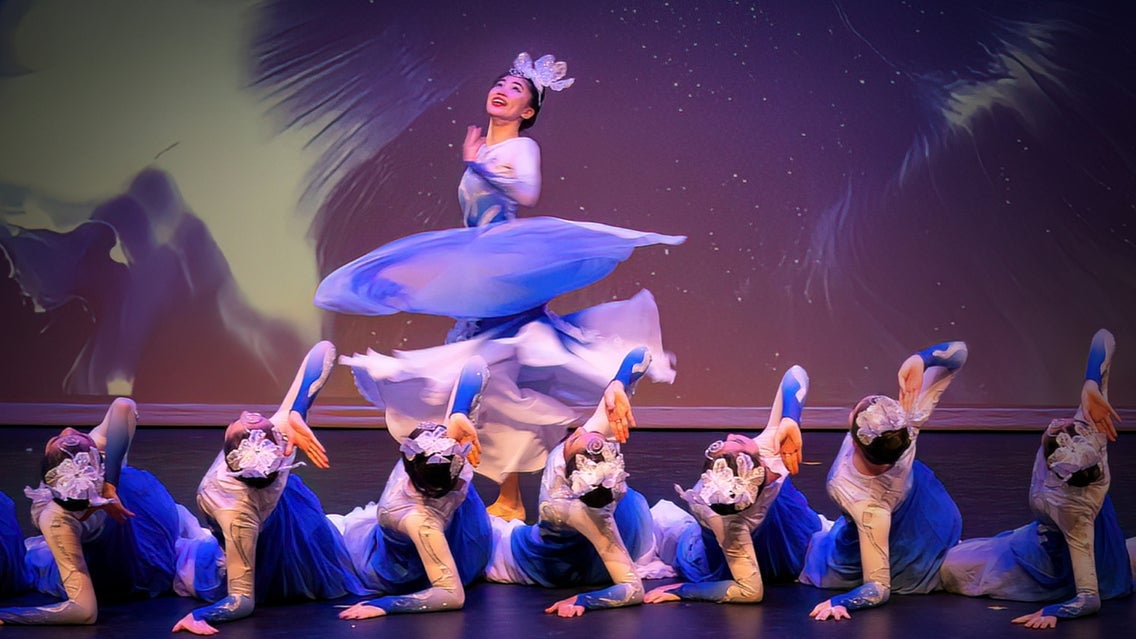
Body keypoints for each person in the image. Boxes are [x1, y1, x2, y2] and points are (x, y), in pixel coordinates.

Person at [316, 52, 685, 521]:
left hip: (501, 267)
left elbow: (526, 192)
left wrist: (480, 165)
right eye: (501, 83)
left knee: (497, 370)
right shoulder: (486, 150)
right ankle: (508, 493)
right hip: (484, 269)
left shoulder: (517, 149)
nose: (504, 90)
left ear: (528, 111)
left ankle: (536, 477)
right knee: (498, 379)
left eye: (516, 89)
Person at [939, 329, 1131, 629]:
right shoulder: (1091, 430)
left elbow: (1088, 598)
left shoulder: (1072, 510)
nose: (1061, 428)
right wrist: (1092, 382)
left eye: (1060, 435)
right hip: (1077, 536)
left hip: (1060, 560)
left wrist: (1056, 610)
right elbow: (1104, 337)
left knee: (953, 569)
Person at [172, 341, 365, 635]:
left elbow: (324, 350)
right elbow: (241, 599)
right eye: (246, 425)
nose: (248, 417)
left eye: (246, 425)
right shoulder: (238, 507)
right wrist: (296, 410)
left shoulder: (269, 446)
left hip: (281, 528)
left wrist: (297, 412)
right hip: (258, 543)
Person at [484, 347, 670, 617]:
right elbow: (640, 354)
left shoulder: (569, 497)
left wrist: (585, 599)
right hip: (605, 548)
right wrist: (618, 383)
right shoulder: (593, 467)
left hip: (568, 562)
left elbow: (632, 588)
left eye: (574, 440)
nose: (582, 431)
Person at [0, 398, 221, 625]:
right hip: (121, 570)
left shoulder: (91, 474)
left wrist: (111, 483)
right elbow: (84, 610)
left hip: (145, 536)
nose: (67, 429)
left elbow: (123, 405)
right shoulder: (57, 516)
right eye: (60, 438)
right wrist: (10, 615)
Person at [801, 341, 968, 621]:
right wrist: (921, 360)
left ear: (854, 438)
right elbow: (959, 351)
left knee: (820, 559)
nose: (875, 401)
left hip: (907, 528)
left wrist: (843, 600)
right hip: (921, 508)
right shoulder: (906, 423)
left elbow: (878, 587)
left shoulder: (861, 500)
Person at [645, 365, 823, 605]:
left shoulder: (762, 454)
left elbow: (796, 373)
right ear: (753, 466)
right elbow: (749, 590)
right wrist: (682, 590)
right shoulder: (721, 513)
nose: (729, 435)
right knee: (674, 530)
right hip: (744, 557)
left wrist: (791, 420)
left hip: (781, 543)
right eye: (736, 442)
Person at [335, 357, 491, 620]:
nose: (437, 430)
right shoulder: (450, 463)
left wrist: (387, 604)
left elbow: (451, 595)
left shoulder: (428, 479)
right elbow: (475, 366)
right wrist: (459, 412)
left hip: (437, 551)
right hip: (442, 551)